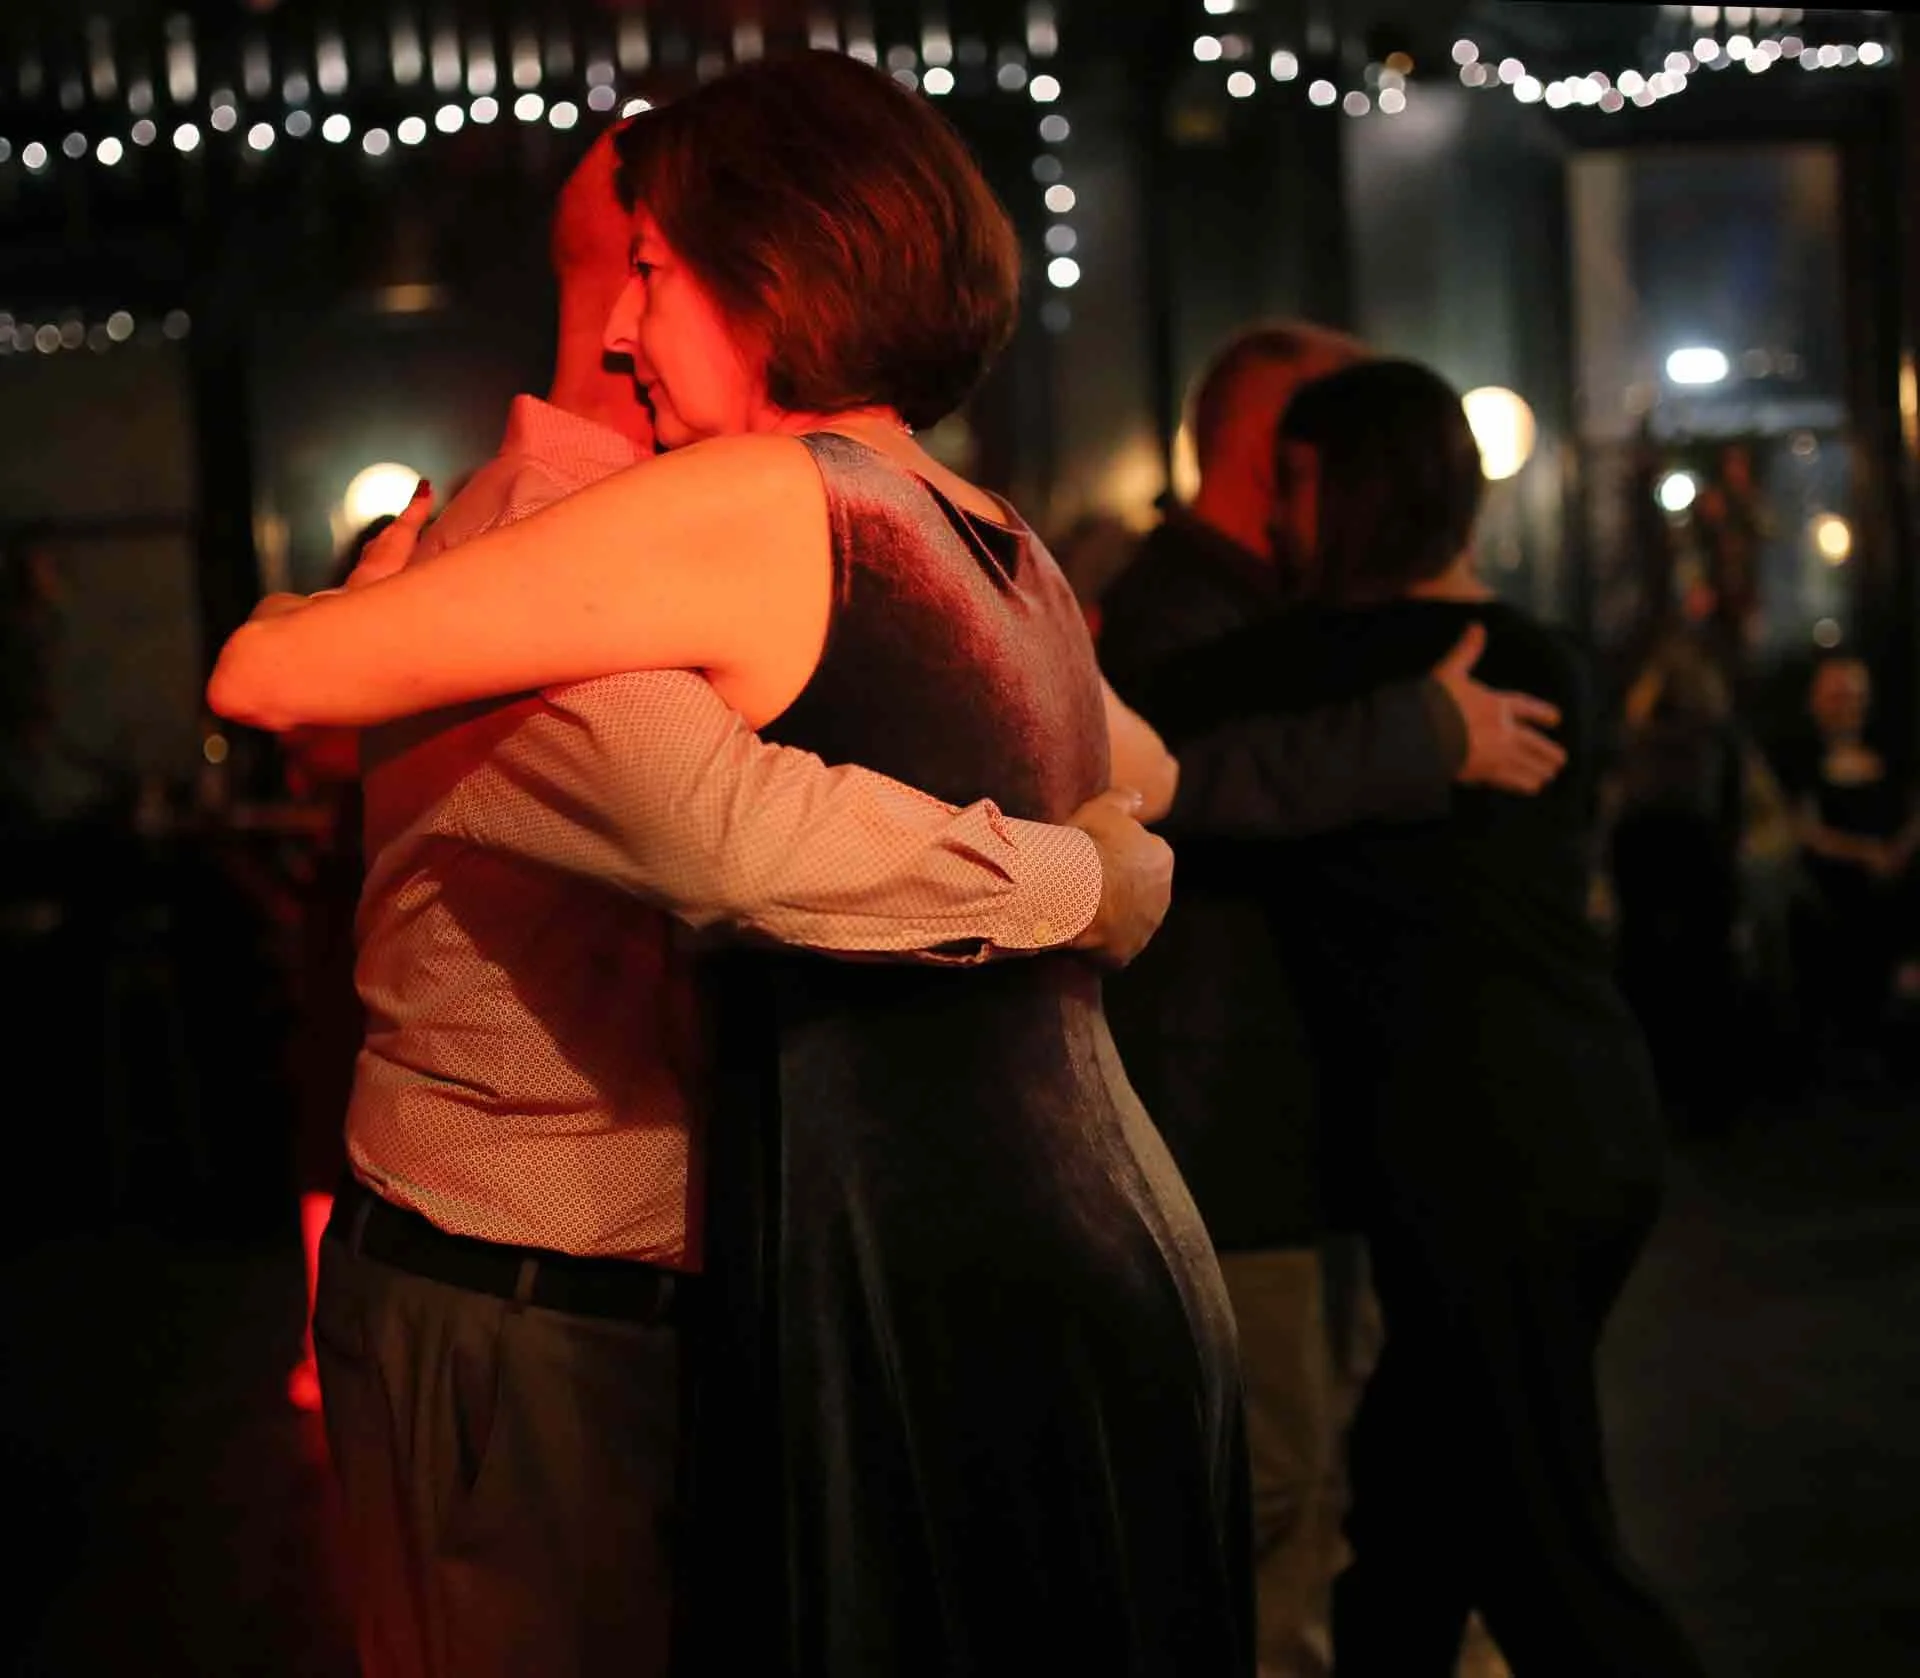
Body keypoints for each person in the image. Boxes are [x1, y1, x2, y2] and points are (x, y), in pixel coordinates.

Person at [209, 58, 1246, 1677]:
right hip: (535, 1307)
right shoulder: (572, 558)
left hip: (823, 1276)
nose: (635, 317)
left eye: (661, 275)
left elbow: (1091, 752)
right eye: (638, 269)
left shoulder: (788, 515)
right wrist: (1080, 873)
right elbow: (742, 838)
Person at [1137, 360, 1705, 1678]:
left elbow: (1130, 754)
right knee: (1411, 1514)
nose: (1274, 519)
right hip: (1582, 1116)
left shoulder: (1301, 665)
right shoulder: (1541, 653)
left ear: (1339, 489)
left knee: (1547, 1560)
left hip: (1482, 1147)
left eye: (1289, 484)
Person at [1099, 323, 1566, 1678]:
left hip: (1308, 1121)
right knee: (1278, 1496)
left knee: (1350, 1488)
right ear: (1283, 456)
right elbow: (1195, 774)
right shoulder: (1180, 608)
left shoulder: (1276, 610)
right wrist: (1425, 735)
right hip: (1233, 1124)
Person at [1781, 654, 1920, 1069]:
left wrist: (1899, 849)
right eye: (1838, 695)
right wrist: (1864, 854)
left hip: (1897, 863)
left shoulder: (1891, 750)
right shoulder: (1802, 757)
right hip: (1834, 872)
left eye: (1856, 696)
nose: (1848, 705)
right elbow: (1802, 828)